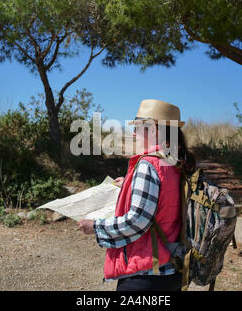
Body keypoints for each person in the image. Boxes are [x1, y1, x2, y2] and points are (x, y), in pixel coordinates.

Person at [78, 99, 195, 291]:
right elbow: (166, 196)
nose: (133, 133)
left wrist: (96, 227)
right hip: (171, 271)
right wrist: (129, 183)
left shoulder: (148, 164)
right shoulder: (175, 162)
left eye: (138, 127)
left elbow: (137, 221)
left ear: (154, 130)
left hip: (146, 276)